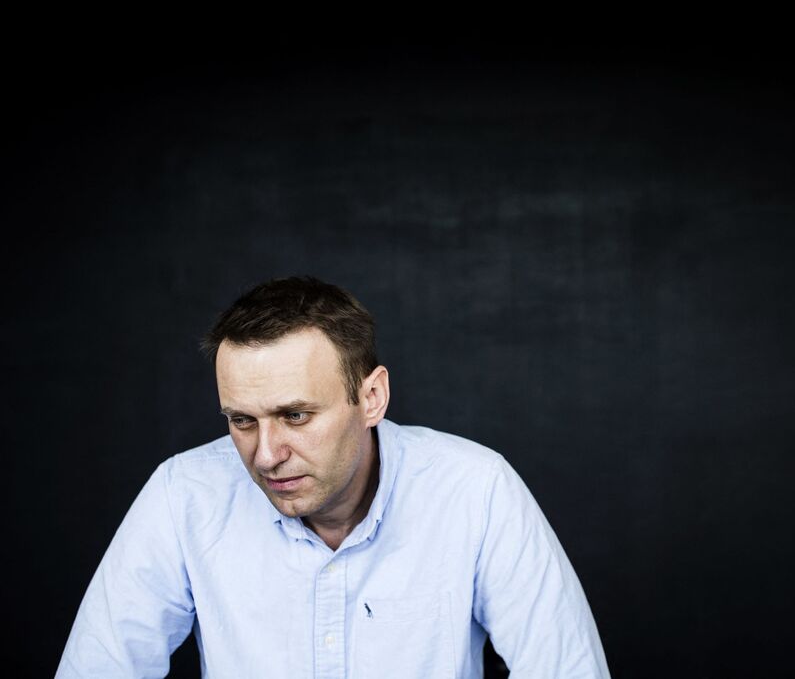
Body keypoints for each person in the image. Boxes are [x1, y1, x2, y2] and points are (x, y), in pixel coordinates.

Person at [57, 276, 610, 678]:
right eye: (242, 421)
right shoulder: (184, 496)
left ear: (371, 398)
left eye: (295, 416)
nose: (267, 455)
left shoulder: (475, 490)